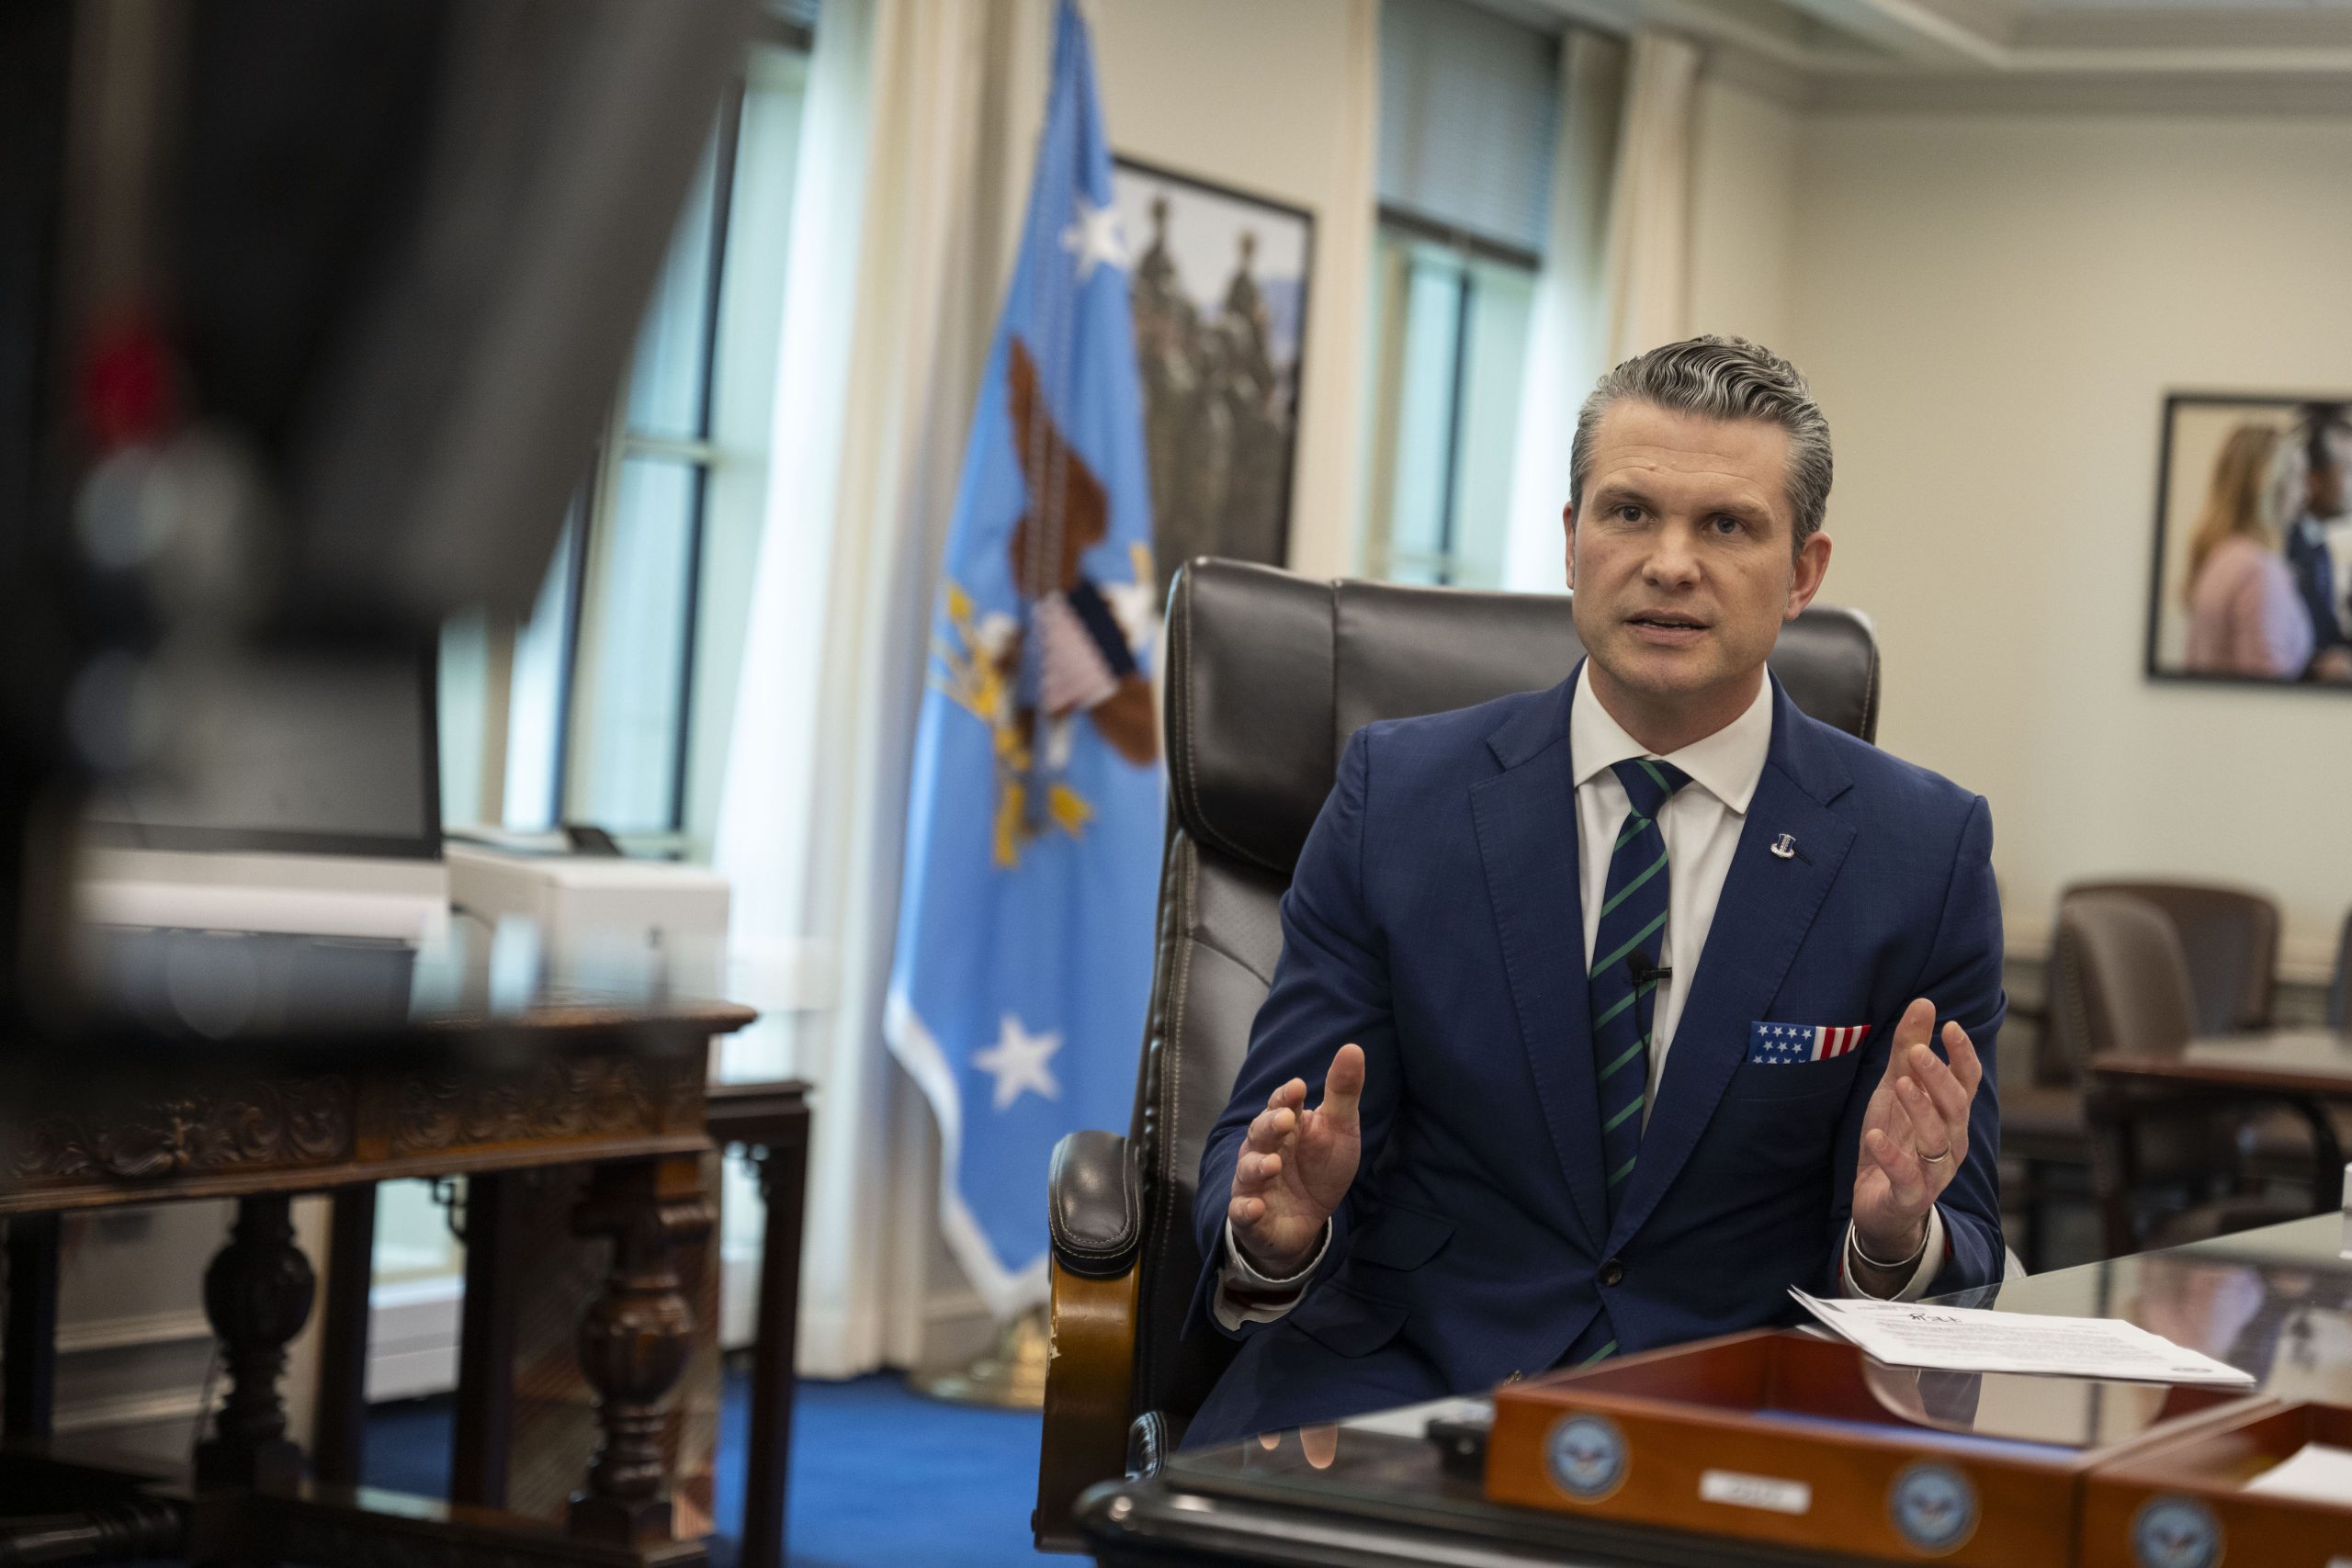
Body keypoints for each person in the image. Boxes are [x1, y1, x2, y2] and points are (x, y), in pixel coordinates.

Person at [1181, 336, 2004, 1447]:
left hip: (1738, 1410)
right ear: (1571, 542)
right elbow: (1265, 1145)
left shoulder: (1922, 850)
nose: (1670, 563)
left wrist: (1892, 1238)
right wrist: (1276, 1230)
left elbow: (1963, 1232)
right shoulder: (1399, 797)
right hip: (1403, 1380)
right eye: (1628, 514)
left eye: (1727, 525)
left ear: (1802, 573)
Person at [2182, 424, 2313, 679]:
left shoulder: (2221, 556)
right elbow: (2266, 690)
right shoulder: (2259, 571)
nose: (2305, 494)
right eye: (2297, 477)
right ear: (2269, 483)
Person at [2284, 407, 2352, 682]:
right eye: (2346, 471)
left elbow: (2327, 632)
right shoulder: (2284, 547)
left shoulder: (2317, 545)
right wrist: (2317, 665)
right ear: (2314, 481)